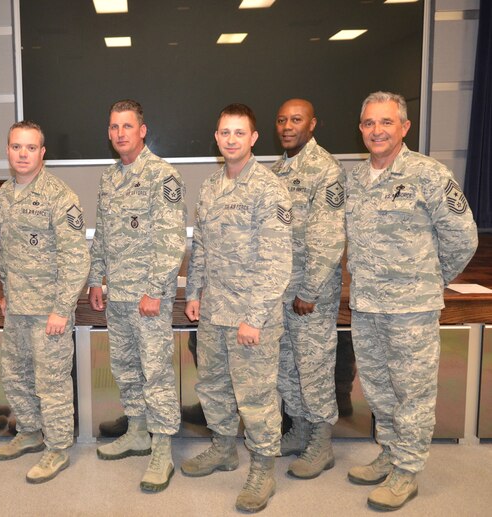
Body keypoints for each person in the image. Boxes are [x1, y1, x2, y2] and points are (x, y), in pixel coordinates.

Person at [345, 91, 478, 511]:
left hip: (412, 310)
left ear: (404, 127)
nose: (376, 130)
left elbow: (462, 237)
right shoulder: (355, 179)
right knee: (380, 389)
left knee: (413, 392)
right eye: (369, 123)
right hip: (367, 306)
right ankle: (389, 453)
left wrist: (430, 279)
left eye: (386, 122)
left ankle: (408, 471)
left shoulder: (428, 175)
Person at [182, 104, 292, 513]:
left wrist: (254, 316)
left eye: (239, 133)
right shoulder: (211, 186)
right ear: (216, 137)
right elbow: (203, 248)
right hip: (213, 311)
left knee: (256, 396)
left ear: (253, 138)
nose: (231, 139)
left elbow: (277, 260)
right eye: (224, 133)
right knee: (212, 386)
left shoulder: (268, 189)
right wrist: (194, 292)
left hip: (251, 317)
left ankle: (263, 467)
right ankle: (224, 448)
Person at [88, 99, 187, 492]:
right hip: (118, 296)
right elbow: (103, 236)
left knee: (156, 372)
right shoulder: (109, 178)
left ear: (142, 130)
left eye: (127, 126)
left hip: (148, 298)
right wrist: (96, 280)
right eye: (114, 127)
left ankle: (162, 448)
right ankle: (138, 430)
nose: (120, 134)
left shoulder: (163, 176)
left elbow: (171, 240)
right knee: (126, 368)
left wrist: (154, 291)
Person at [0, 121, 90, 483]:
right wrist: (4, 291)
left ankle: (58, 447)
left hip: (49, 311)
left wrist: (61, 309)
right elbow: (8, 249)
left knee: (51, 383)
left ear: (42, 153)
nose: (22, 154)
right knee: (15, 376)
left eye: (30, 148)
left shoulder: (59, 196)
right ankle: (30, 432)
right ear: (8, 150)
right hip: (16, 306)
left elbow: (77, 258)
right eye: (16, 146)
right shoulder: (5, 192)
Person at [271, 99, 346, 479]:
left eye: (296, 120)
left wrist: (310, 290)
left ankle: (322, 440)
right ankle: (299, 428)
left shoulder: (325, 170)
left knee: (314, 365)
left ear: (312, 124)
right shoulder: (277, 171)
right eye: (282, 120)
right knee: (288, 366)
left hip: (308, 295)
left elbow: (329, 239)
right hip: (280, 292)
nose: (287, 126)